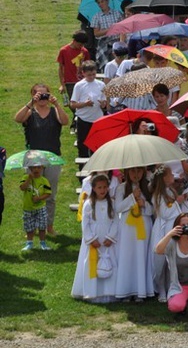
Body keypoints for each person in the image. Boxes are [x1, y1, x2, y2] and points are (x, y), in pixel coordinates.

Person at [14, 84, 69, 236]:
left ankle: (48, 226)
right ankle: (31, 228)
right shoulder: (30, 113)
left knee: (49, 194)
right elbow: (17, 118)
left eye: (45, 95)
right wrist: (30, 103)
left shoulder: (54, 111)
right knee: (31, 194)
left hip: (52, 158)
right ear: (33, 95)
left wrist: (57, 104)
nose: (42, 98)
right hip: (33, 159)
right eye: (39, 95)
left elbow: (65, 121)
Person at [71, 174, 118, 303]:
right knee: (92, 263)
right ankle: (92, 291)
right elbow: (85, 224)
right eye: (99, 187)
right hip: (94, 241)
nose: (102, 190)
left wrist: (110, 237)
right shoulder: (88, 204)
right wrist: (91, 239)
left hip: (107, 240)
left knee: (110, 262)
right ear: (94, 188)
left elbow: (115, 222)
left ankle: (109, 292)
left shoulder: (112, 203)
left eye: (104, 187)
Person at [150, 165, 188, 302]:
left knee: (172, 260)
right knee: (160, 260)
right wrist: (176, 201)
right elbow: (165, 213)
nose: (173, 177)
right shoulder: (158, 194)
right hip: (163, 229)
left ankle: (170, 287)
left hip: (173, 227)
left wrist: (181, 199)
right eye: (171, 175)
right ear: (164, 178)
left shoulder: (171, 191)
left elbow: (176, 210)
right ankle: (161, 288)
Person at [114, 166, 154, 301]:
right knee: (128, 256)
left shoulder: (148, 188)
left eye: (139, 171)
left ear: (143, 172)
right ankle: (126, 290)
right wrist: (132, 198)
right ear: (127, 172)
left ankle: (140, 290)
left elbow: (153, 210)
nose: (136, 174)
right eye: (132, 171)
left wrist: (144, 204)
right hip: (128, 228)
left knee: (141, 256)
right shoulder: (121, 188)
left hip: (143, 226)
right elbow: (118, 208)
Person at [70, 61, 107, 159]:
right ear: (83, 73)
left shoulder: (101, 85)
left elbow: (104, 103)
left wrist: (103, 104)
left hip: (97, 119)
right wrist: (85, 104)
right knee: (83, 146)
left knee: (97, 146)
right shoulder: (79, 85)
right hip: (84, 119)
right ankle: (83, 168)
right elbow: (73, 104)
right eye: (89, 75)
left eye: (94, 74)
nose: (91, 77)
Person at [19, 162, 52, 251]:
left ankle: (43, 243)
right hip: (28, 208)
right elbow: (22, 188)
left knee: (42, 226)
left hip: (41, 207)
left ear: (42, 168)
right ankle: (29, 243)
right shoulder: (25, 178)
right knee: (29, 226)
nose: (36, 170)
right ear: (30, 168)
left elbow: (48, 193)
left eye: (38, 167)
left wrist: (39, 198)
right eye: (34, 168)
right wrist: (28, 180)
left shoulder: (44, 180)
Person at [91, 0, 125, 71]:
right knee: (106, 67)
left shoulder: (117, 14)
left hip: (117, 43)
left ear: (107, 1)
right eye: (98, 3)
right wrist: (109, 30)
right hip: (104, 44)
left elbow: (123, 29)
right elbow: (96, 34)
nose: (100, 4)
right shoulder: (96, 16)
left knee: (119, 66)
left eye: (102, 1)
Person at [57, 30, 91, 100]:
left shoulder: (84, 51)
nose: (81, 46)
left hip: (82, 81)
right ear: (74, 41)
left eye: (83, 45)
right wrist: (62, 84)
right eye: (80, 45)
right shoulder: (64, 51)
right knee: (73, 102)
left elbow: (88, 67)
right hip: (70, 82)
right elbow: (60, 68)